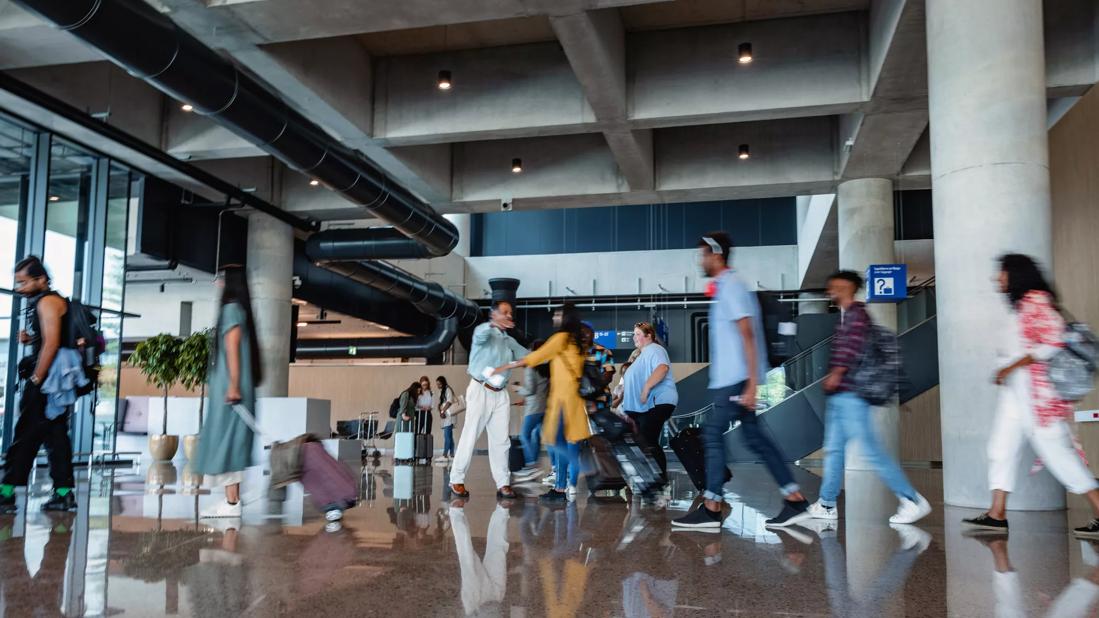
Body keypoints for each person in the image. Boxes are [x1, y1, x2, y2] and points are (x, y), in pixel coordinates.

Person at [672, 232, 811, 529]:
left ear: (716, 254)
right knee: (756, 439)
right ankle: (795, 499)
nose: (701, 260)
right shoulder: (725, 288)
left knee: (711, 436)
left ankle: (711, 506)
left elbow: (748, 334)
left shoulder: (732, 286)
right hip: (734, 379)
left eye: (703, 254)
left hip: (735, 380)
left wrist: (750, 382)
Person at [963, 254, 1099, 537]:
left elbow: (1053, 340)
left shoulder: (1036, 299)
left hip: (1037, 393)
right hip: (1016, 391)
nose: (997, 278)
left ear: (1016, 274)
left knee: (1058, 454)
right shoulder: (1020, 306)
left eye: (1001, 273)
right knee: (1001, 449)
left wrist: (1012, 366)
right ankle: (996, 513)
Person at [807, 270, 931, 525]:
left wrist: (836, 373)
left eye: (836, 287)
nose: (832, 291)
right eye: (831, 287)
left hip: (851, 393)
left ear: (848, 288)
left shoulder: (856, 315)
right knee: (834, 450)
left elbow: (851, 349)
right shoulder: (847, 316)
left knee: (872, 451)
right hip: (842, 395)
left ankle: (912, 499)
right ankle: (827, 503)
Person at [0, 256, 78, 514]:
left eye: (23, 282)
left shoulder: (47, 302)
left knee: (24, 436)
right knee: (56, 438)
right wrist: (31, 339)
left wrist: (36, 379)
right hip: (56, 384)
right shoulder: (53, 301)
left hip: (45, 383)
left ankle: (5, 494)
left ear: (41, 279)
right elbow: (50, 338)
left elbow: (52, 344)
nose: (19, 288)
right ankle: (64, 495)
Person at [495, 303, 589, 503]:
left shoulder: (561, 338)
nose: (554, 317)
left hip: (563, 400)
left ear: (565, 318)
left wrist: (506, 365)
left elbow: (535, 357)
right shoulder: (576, 341)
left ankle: (576, 473)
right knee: (563, 441)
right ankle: (560, 488)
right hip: (573, 399)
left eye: (557, 314)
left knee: (554, 439)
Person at [192, 264, 264, 519]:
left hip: (231, 390)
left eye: (220, 278)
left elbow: (232, 347)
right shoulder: (240, 310)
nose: (217, 282)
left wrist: (233, 384)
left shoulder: (231, 310)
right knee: (230, 442)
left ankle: (232, 503)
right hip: (234, 387)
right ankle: (231, 500)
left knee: (227, 443)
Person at [449, 300, 528, 500]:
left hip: (500, 393)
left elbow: (527, 356)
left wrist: (548, 353)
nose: (509, 316)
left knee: (501, 441)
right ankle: (456, 479)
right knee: (470, 435)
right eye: (504, 312)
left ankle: (503, 483)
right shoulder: (482, 332)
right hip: (480, 389)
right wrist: (494, 325)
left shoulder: (508, 341)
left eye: (510, 313)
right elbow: (483, 333)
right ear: (493, 315)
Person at [622, 321, 678, 484]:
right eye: (634, 334)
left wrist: (646, 388)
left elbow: (662, 368)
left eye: (638, 334)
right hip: (646, 405)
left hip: (659, 401)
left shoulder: (655, 349)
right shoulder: (642, 355)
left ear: (649, 336)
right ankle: (653, 477)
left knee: (648, 438)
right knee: (644, 439)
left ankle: (659, 478)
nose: (634, 337)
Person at [513, 339, 549, 482]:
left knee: (524, 435)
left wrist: (517, 388)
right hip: (544, 407)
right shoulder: (547, 366)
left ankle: (531, 465)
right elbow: (542, 389)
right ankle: (534, 465)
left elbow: (530, 389)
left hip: (533, 408)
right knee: (535, 436)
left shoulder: (530, 367)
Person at [436, 376, 460, 463]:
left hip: (449, 416)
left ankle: (445, 455)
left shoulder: (447, 389)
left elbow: (449, 401)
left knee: (447, 436)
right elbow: (441, 403)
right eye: (437, 384)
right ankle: (452, 454)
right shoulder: (442, 391)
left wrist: (442, 411)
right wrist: (440, 411)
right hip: (446, 416)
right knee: (449, 435)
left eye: (439, 384)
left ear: (443, 383)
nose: (438, 385)